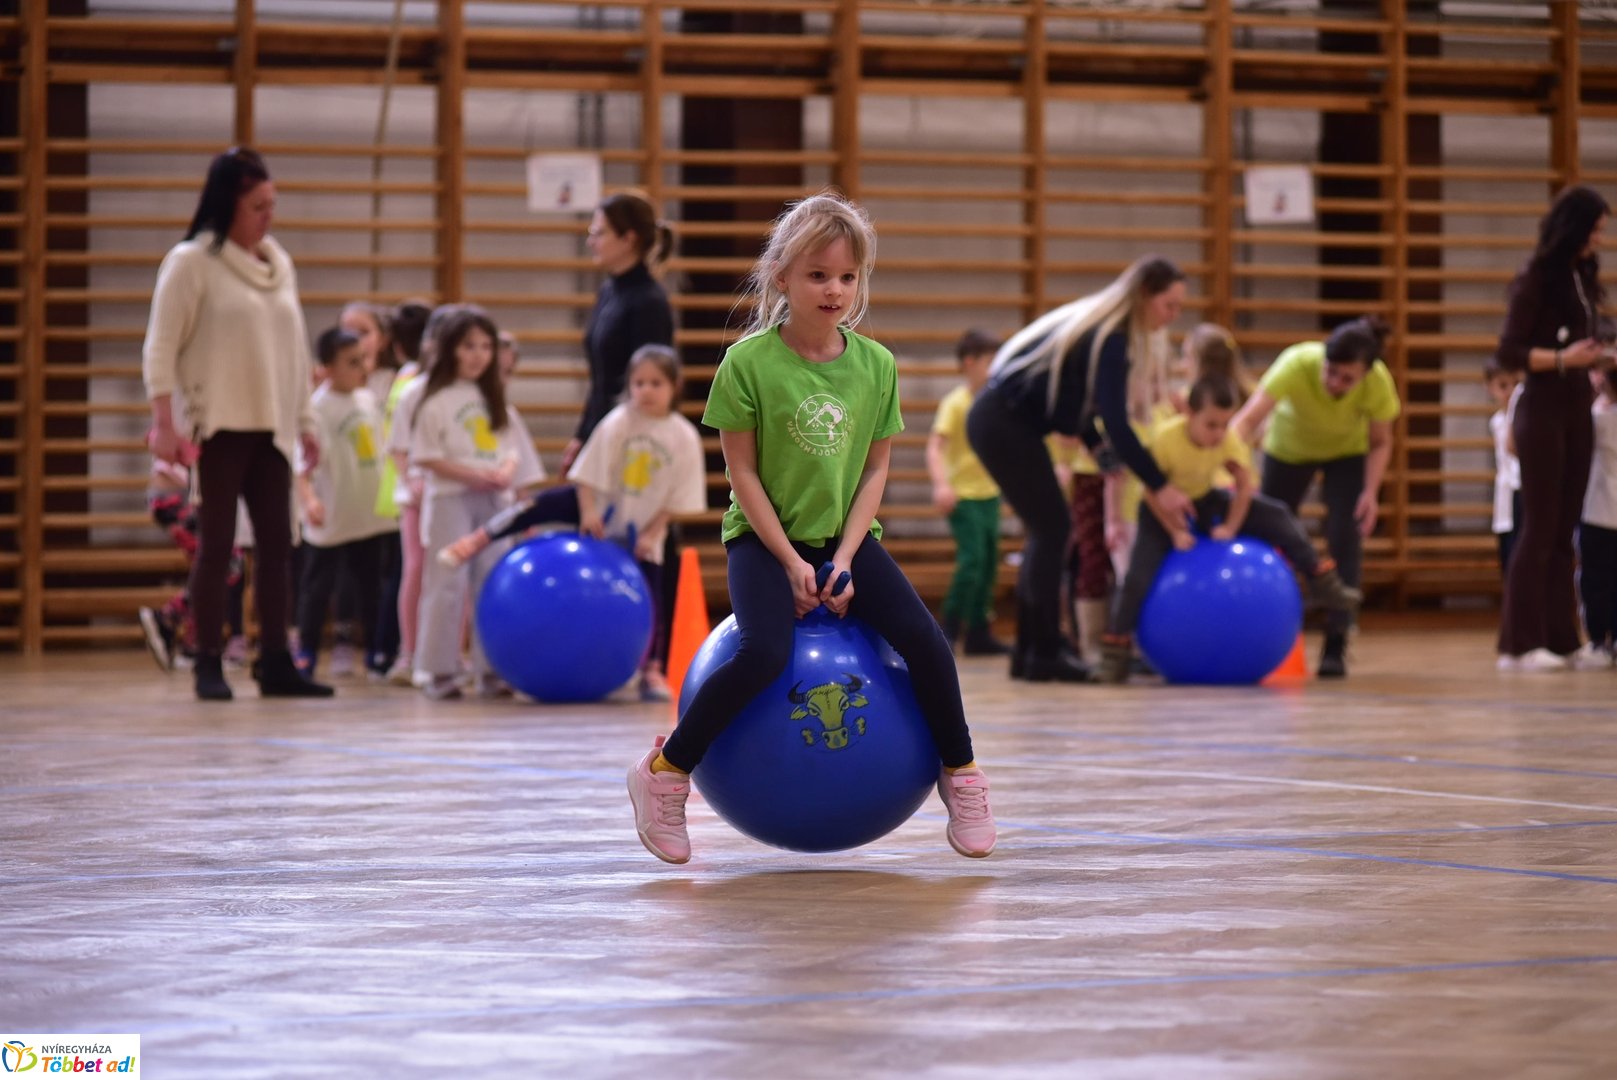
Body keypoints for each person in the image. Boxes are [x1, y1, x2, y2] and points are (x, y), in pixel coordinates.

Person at [625, 192, 996, 865]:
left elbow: (875, 472)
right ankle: (665, 774)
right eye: (818, 275)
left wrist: (846, 558)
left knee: (926, 641)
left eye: (848, 277)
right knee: (764, 654)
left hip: (846, 539)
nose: (834, 290)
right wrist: (792, 562)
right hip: (762, 539)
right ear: (781, 277)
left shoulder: (875, 365)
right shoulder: (747, 363)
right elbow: (740, 475)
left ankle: (961, 772)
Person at [141, 146, 331, 701]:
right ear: (228, 205)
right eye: (258, 206)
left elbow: (293, 350)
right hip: (216, 427)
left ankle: (275, 660)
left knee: (278, 546)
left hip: (272, 428)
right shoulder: (191, 262)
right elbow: (160, 348)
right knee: (217, 546)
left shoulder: (280, 264)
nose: (269, 216)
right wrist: (164, 425)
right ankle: (206, 662)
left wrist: (305, 421)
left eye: (273, 204)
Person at [440, 344, 707, 700]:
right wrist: (589, 512)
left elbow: (678, 497)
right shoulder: (617, 422)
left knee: (653, 595)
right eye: (639, 383)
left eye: (656, 383)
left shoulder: (684, 436)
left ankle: (651, 670)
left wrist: (653, 533)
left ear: (675, 387)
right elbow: (586, 473)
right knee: (536, 506)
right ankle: (479, 537)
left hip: (641, 528)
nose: (645, 390)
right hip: (595, 505)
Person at [966, 255, 1188, 682]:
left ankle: (1032, 654)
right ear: (1144, 297)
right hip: (1003, 422)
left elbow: (1084, 414)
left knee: (1048, 531)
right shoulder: (1112, 338)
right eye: (1169, 305)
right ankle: (1044, 651)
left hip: (1003, 421)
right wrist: (1159, 485)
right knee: (1053, 531)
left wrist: (1102, 455)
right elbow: (1117, 421)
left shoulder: (1103, 332)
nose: (1174, 316)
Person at [1098, 376, 1360, 683]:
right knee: (1137, 577)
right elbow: (1151, 492)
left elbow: (1245, 484)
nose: (1219, 433)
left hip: (1204, 499)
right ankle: (1114, 655)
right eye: (1211, 425)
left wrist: (1231, 527)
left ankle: (1321, 577)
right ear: (1190, 415)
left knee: (1276, 513)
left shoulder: (1227, 439)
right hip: (1161, 511)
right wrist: (1174, 532)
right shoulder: (1166, 439)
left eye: (1224, 425)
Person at [1232, 316, 1400, 678]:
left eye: (1347, 379)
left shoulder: (1378, 384)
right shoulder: (1296, 363)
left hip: (1346, 454)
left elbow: (1382, 441)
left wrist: (1370, 493)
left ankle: (1337, 642)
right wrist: (1225, 464)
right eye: (1331, 372)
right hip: (1288, 450)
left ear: (1365, 375)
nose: (1335, 383)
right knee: (1268, 531)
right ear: (1322, 358)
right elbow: (1246, 422)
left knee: (1346, 537)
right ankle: (1260, 630)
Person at [1493, 185, 1613, 671]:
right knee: (1539, 526)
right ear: (1575, 228)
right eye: (1596, 230)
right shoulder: (1536, 278)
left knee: (1566, 530)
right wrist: (1564, 358)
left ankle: (1563, 639)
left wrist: (1598, 354)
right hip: (1542, 409)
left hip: (1576, 407)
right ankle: (1519, 644)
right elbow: (1509, 353)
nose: (1601, 239)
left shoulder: (1582, 277)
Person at [409, 306, 545, 700]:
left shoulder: (494, 397)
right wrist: (472, 475)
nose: (478, 354)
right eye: (469, 345)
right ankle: (437, 672)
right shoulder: (433, 399)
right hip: (451, 499)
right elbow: (426, 456)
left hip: (495, 501)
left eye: (485, 346)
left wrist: (505, 470)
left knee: (494, 583)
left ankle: (492, 670)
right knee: (446, 584)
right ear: (450, 348)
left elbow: (511, 448)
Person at [293, 327, 394, 678]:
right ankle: (306, 651)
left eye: (363, 360)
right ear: (327, 368)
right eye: (352, 362)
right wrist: (309, 500)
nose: (361, 369)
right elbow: (300, 463)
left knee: (371, 587)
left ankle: (376, 652)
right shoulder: (317, 408)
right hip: (334, 512)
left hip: (367, 512)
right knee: (317, 587)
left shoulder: (367, 400)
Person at [563, 191, 676, 475]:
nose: (591, 241)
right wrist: (582, 435)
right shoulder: (609, 290)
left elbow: (652, 383)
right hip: (603, 426)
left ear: (629, 239)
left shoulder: (649, 301)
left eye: (599, 233)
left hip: (632, 438)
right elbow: (601, 378)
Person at [927, 328, 1010, 656]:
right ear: (969, 362)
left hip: (989, 495)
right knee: (972, 561)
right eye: (990, 361)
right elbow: (936, 447)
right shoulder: (955, 403)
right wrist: (941, 484)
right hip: (963, 496)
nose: (994, 368)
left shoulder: (993, 402)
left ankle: (979, 632)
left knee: (989, 564)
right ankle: (948, 627)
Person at [137, 454, 245, 674]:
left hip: (178, 493)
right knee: (226, 562)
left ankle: (191, 644)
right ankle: (167, 617)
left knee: (212, 566)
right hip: (177, 495)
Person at [375, 299, 434, 685]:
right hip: (410, 489)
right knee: (412, 570)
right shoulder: (412, 383)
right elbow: (398, 442)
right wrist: (410, 479)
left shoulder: (410, 379)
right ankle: (407, 653)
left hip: (417, 486)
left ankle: (420, 653)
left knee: (421, 573)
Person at [1577, 365, 1617, 667]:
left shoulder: (1597, 418)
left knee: (1595, 580)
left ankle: (1597, 641)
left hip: (1598, 510)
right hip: (1600, 510)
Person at [1486, 361, 1524, 578]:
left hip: (1521, 493)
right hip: (1505, 498)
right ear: (1489, 387)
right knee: (1507, 564)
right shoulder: (1498, 421)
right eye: (1503, 385)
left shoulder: (1522, 419)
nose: (1511, 392)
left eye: (1516, 384)